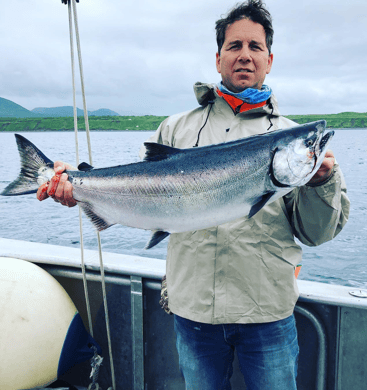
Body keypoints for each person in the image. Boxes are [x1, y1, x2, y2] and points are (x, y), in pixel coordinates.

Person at [37, 1, 350, 388]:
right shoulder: (175, 129)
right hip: (194, 311)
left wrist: (321, 183)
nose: (245, 56)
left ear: (269, 60)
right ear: (218, 58)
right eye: (235, 46)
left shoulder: (291, 139)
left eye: (255, 47)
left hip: (266, 313)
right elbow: (140, 198)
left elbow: (316, 233)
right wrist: (80, 190)